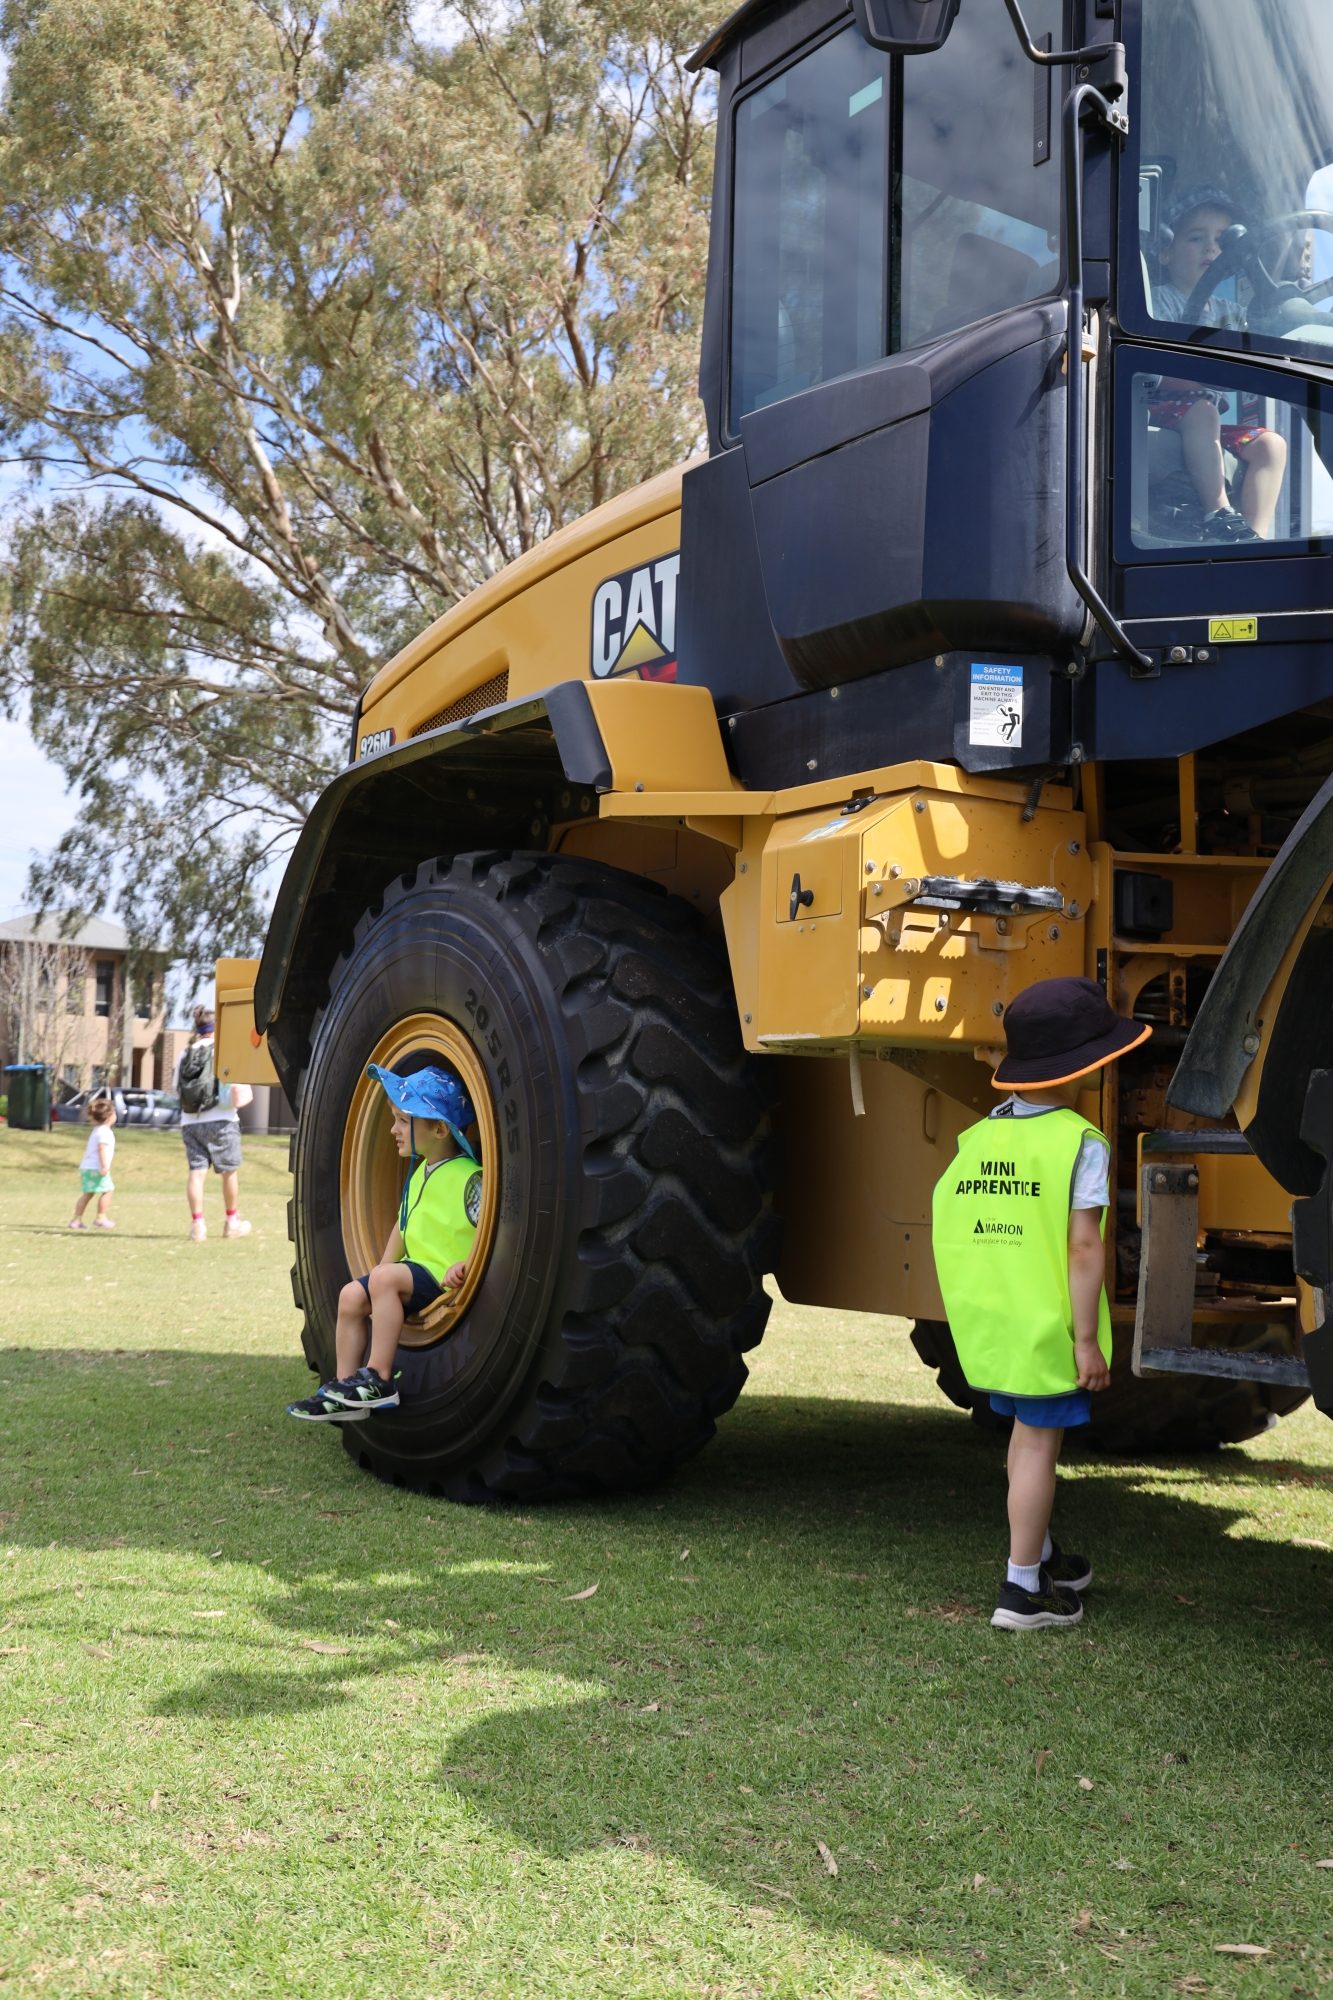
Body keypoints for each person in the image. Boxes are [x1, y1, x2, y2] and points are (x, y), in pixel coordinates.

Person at [931, 977, 1151, 1631]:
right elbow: (1084, 1250)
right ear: (1086, 1067)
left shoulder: (982, 1138)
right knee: (1035, 1448)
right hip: (1047, 1327)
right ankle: (1021, 1588)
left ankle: (1043, 1551)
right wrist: (1084, 1340)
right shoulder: (1077, 1143)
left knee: (1023, 1442)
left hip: (997, 1323)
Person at [288, 1062, 482, 1423]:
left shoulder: (471, 1177)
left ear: (439, 1128)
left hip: (439, 1273)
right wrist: (381, 1266)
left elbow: (486, 1224)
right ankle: (344, 1389)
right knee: (351, 1295)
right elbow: (404, 1224)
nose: (393, 1129)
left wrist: (468, 1264)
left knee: (383, 1280)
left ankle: (379, 1378)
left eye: (402, 1121)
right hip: (413, 1272)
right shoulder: (421, 1171)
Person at [1148, 186, 1288, 541]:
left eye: (1221, 240)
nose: (1212, 248)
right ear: (1165, 252)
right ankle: (1218, 512)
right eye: (1197, 238)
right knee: (1204, 410)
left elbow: (1259, 332)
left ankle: (1252, 540)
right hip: (1157, 411)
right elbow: (1153, 370)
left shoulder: (1229, 312)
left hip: (1201, 420)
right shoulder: (1156, 302)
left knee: (1271, 446)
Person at [175, 1004, 254, 1241]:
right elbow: (239, 1088)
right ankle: (232, 1222)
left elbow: (175, 1088)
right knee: (229, 1172)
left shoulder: (185, 1053)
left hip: (190, 1121)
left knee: (196, 1174)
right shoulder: (223, 1050)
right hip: (223, 1119)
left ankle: (198, 1226)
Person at [69, 1092, 117, 1231]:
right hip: (97, 1168)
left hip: (87, 1167)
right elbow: (101, 1149)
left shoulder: (97, 1130)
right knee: (108, 1191)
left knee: (88, 1193)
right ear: (110, 1116)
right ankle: (101, 1218)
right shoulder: (105, 1132)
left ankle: (76, 1220)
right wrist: (104, 1167)